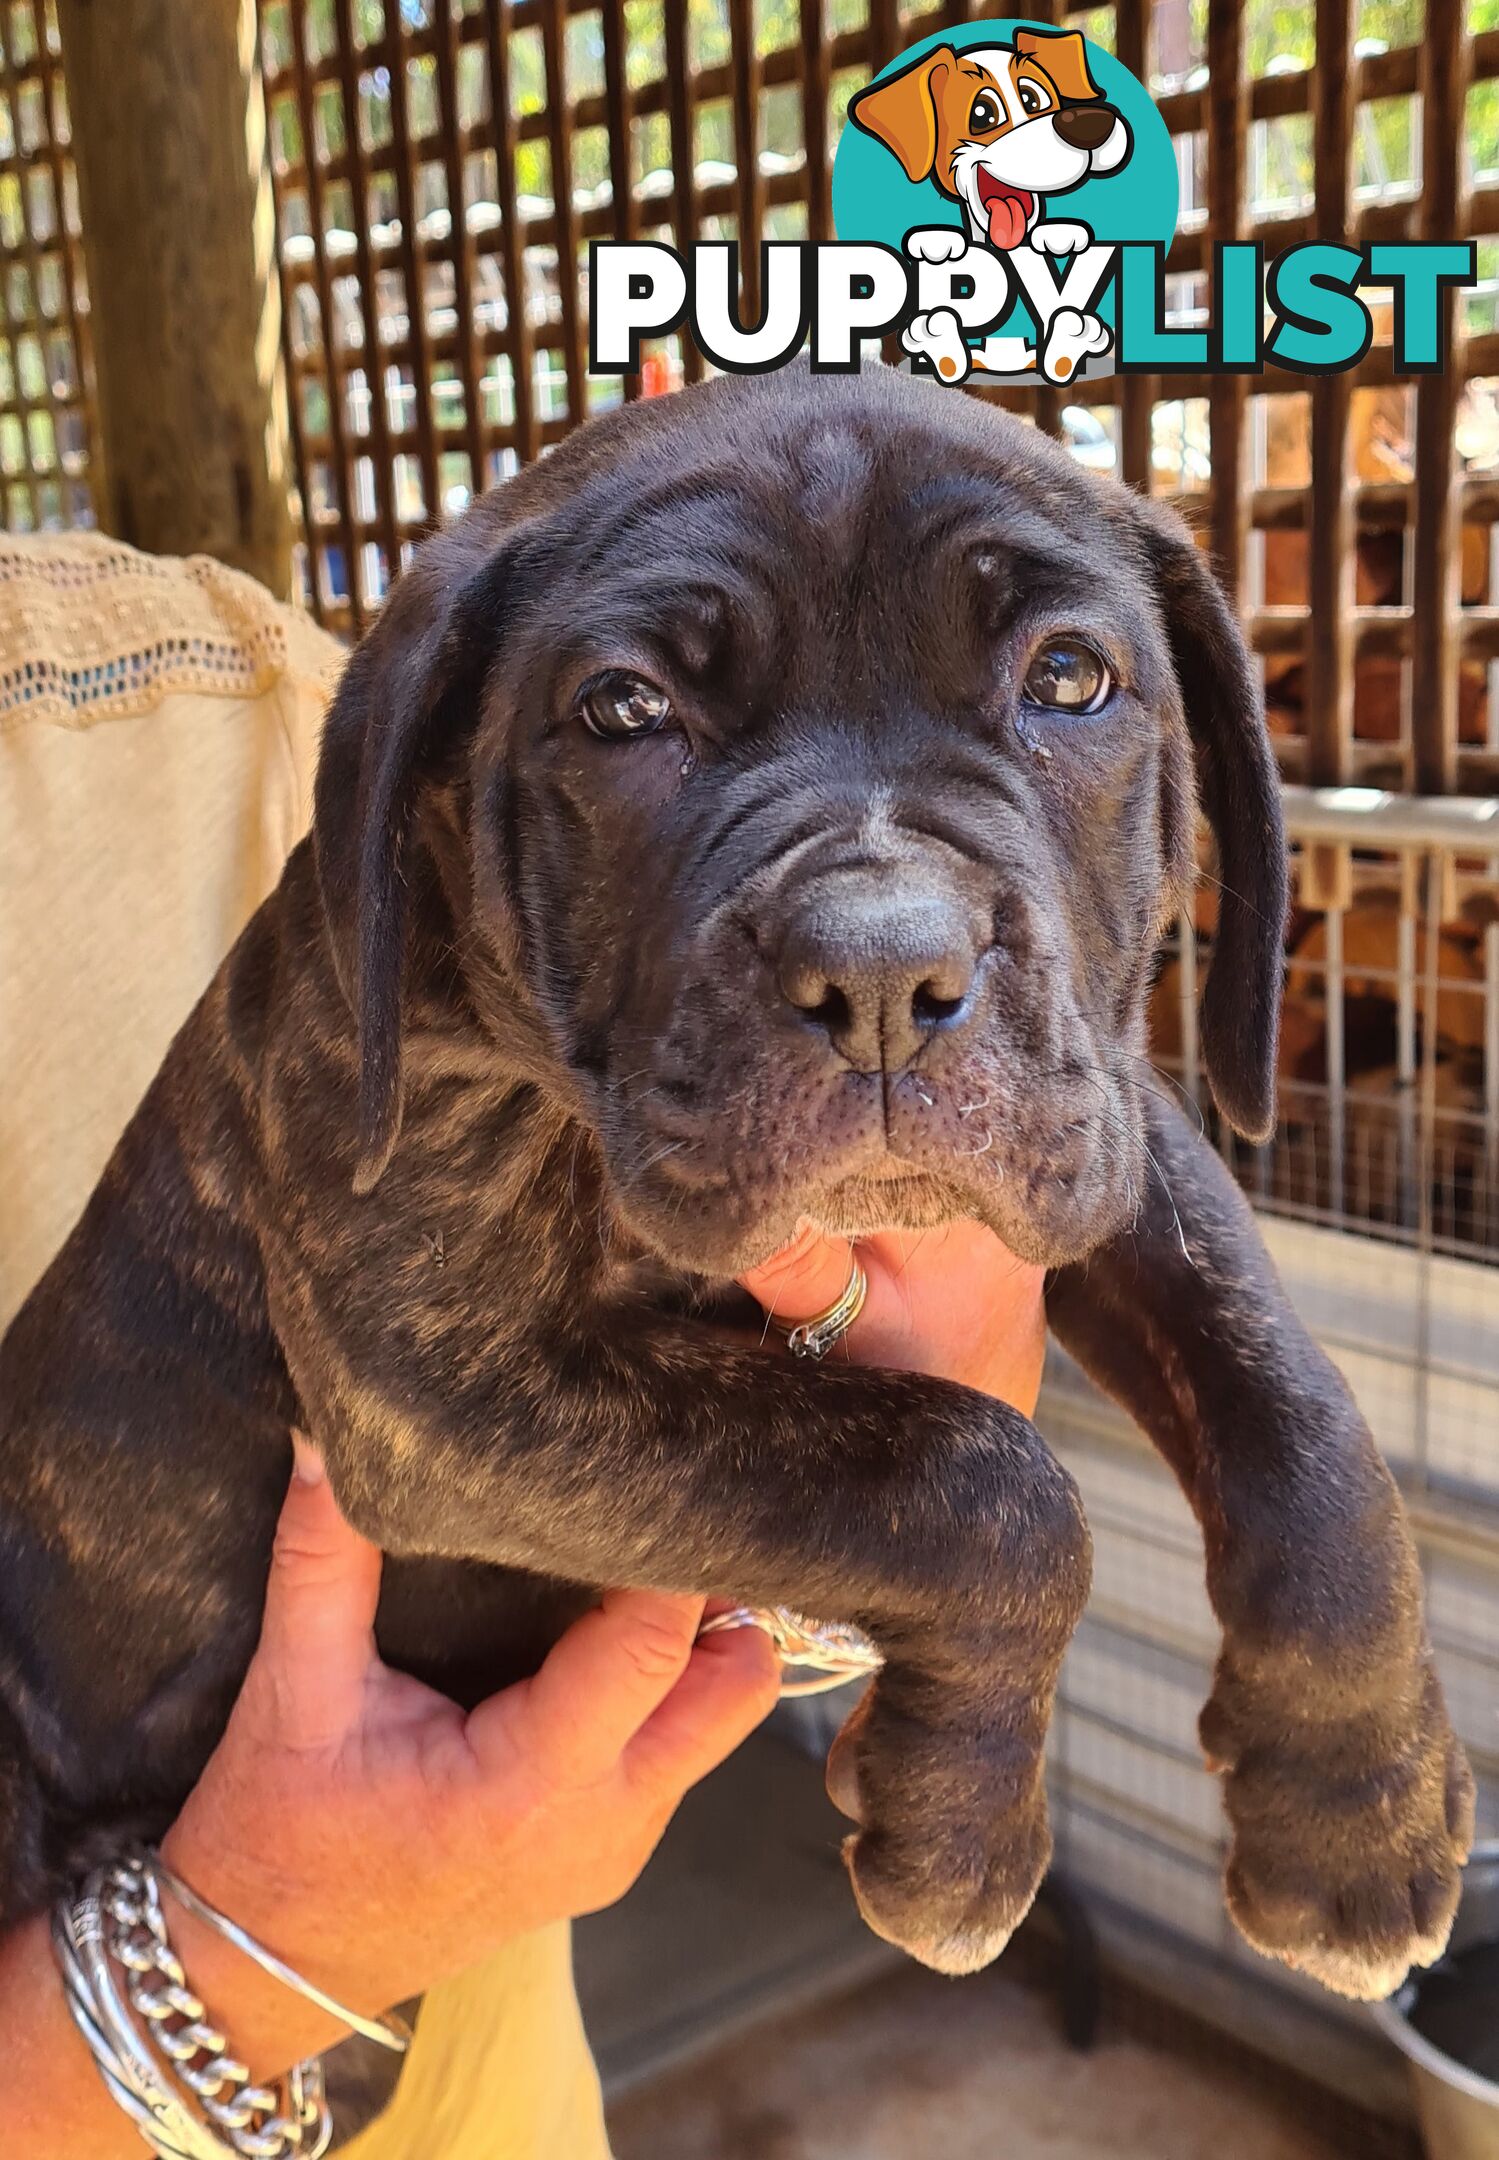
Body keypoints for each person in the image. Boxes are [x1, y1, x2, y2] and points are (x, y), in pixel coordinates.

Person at [0, 534, 1047, 2156]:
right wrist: (231, 1974)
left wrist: (898, 1417)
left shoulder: (220, 703)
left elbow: (711, 1443)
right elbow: (445, 1432)